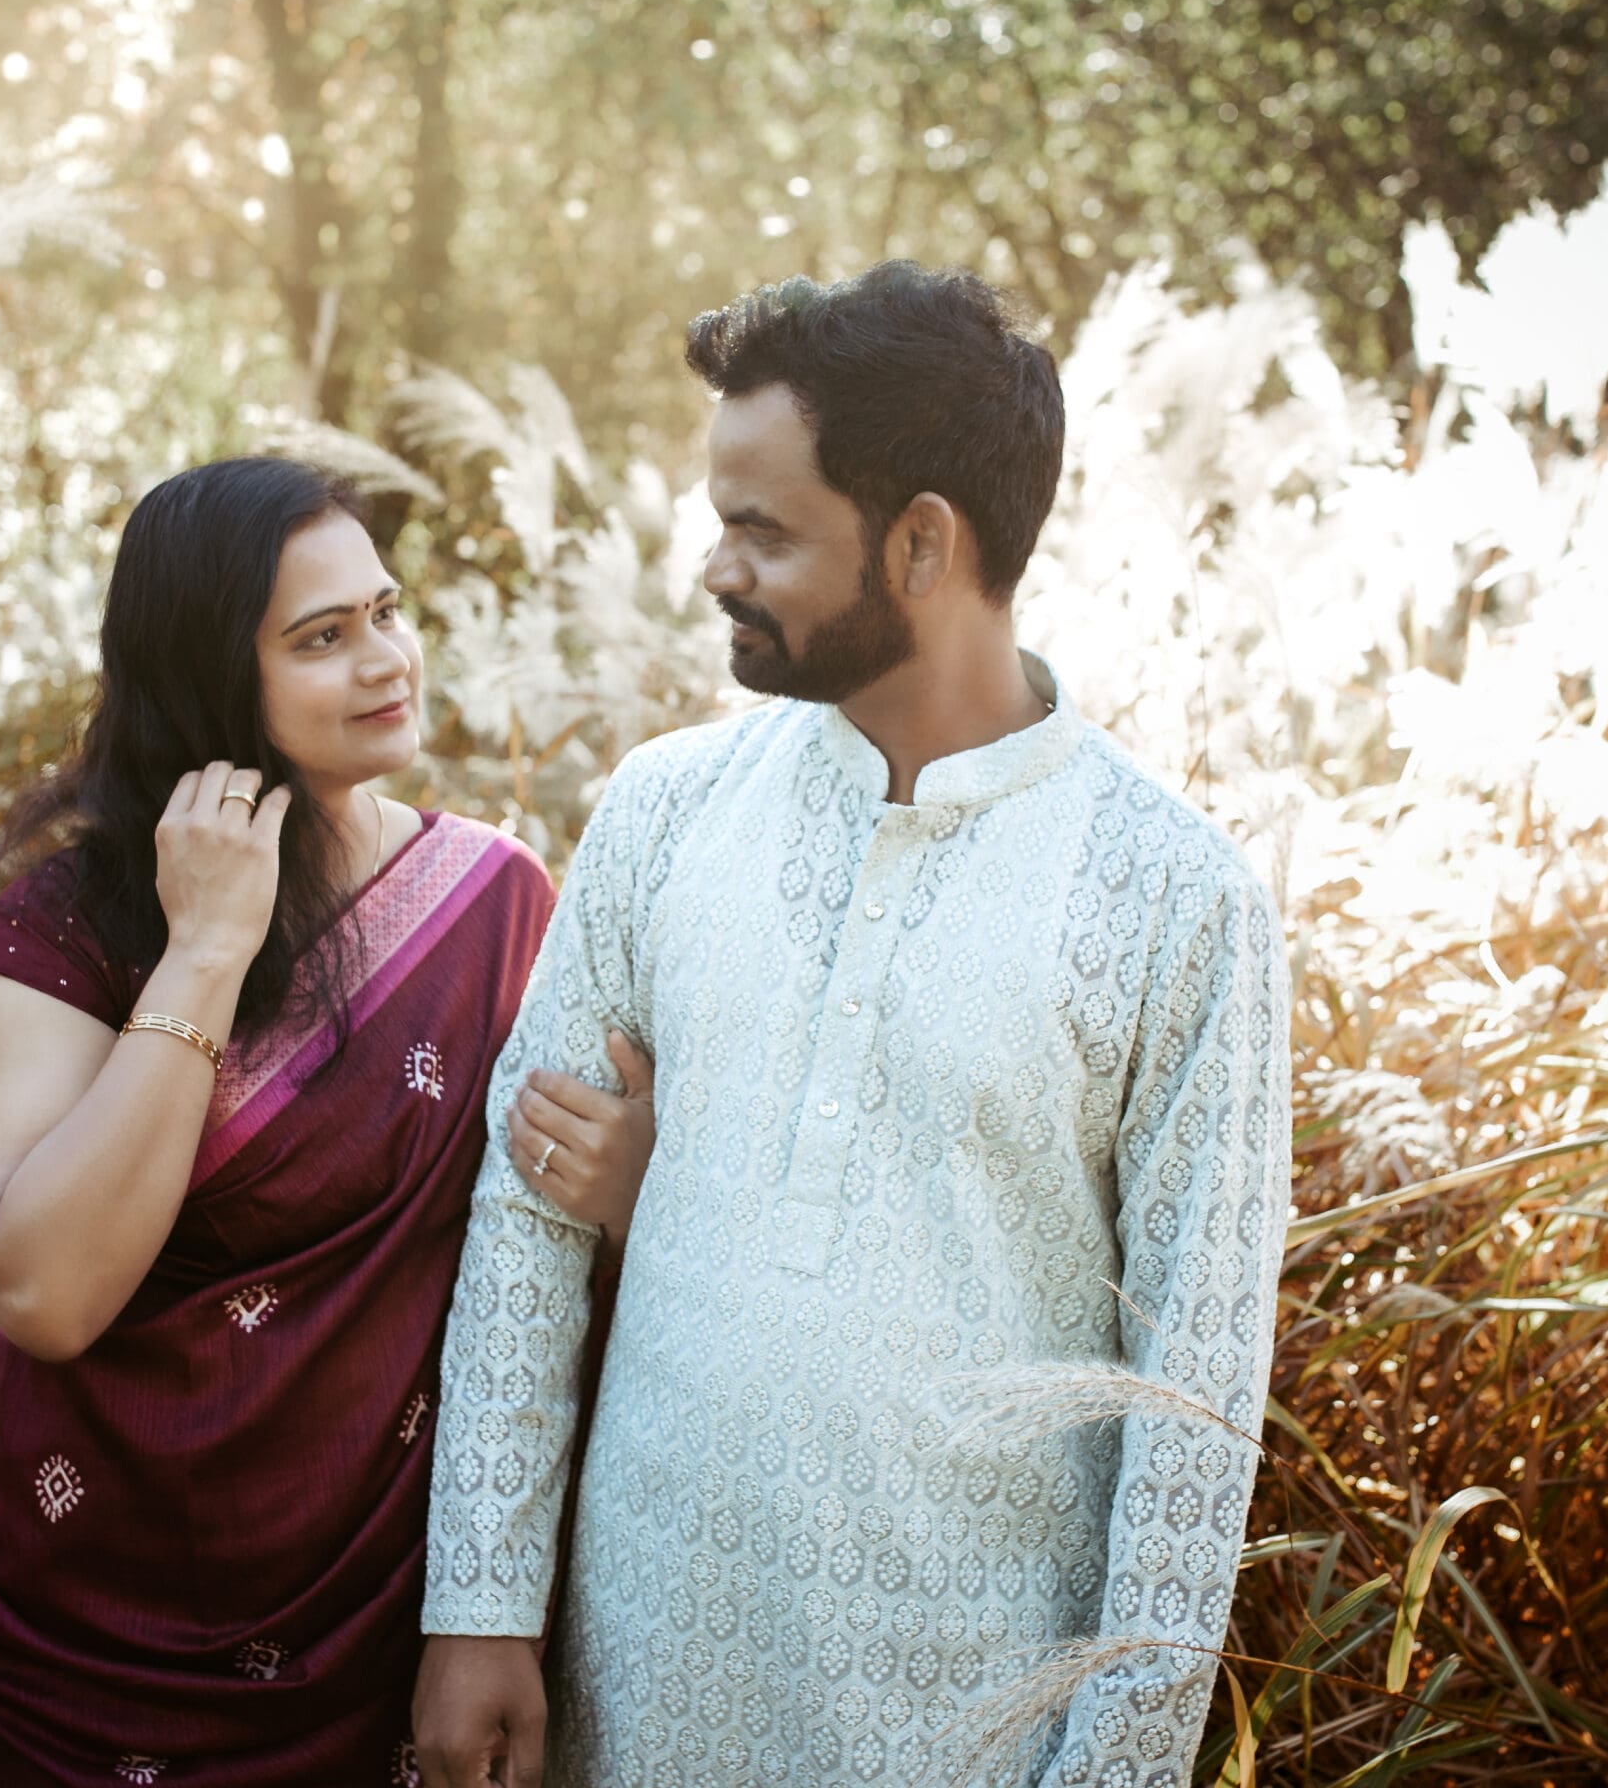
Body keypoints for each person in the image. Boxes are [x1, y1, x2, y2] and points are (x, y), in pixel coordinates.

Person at [416, 264, 1292, 1787]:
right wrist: (480, 1608)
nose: (714, 567)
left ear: (925, 542)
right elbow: (525, 1208)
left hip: (964, 1733)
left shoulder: (1176, 900)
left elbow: (1193, 1407)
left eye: (763, 530)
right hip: (635, 1695)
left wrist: (1114, 1771)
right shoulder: (665, 812)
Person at [0, 457, 653, 1787]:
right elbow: (47, 1291)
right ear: (212, 675)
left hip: (364, 1627)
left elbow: (547, 1255)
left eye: (387, 611)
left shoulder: (492, 899)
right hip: (83, 1636)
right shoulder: (70, 926)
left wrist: (628, 1192)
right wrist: (205, 948)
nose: (387, 659)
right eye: (322, 639)